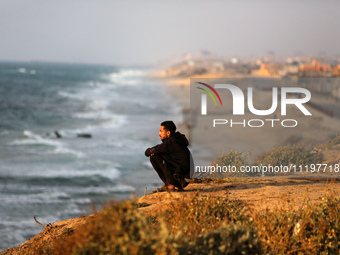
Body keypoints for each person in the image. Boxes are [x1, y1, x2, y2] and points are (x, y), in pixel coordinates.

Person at [145, 121, 192, 192]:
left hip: (181, 180)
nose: (159, 134)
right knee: (159, 154)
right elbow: (158, 149)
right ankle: (173, 184)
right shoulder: (177, 139)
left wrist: (151, 152)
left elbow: (148, 152)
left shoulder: (170, 142)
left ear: (168, 133)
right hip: (186, 178)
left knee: (154, 156)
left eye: (161, 131)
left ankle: (170, 185)